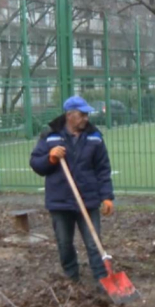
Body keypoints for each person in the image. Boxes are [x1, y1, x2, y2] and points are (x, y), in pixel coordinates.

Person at [30, 95, 114, 284]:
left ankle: (103, 281)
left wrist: (107, 197)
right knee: (64, 244)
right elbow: (36, 163)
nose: (86, 118)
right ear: (70, 115)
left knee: (94, 243)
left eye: (86, 114)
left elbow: (103, 169)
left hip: (88, 199)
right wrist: (50, 158)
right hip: (60, 201)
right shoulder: (50, 136)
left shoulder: (95, 137)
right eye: (82, 114)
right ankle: (71, 280)